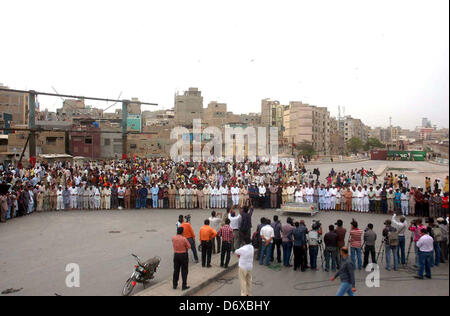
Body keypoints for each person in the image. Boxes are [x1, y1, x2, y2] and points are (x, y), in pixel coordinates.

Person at [172, 227, 191, 291]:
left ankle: (174, 284)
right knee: (184, 270)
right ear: (182, 232)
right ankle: (184, 285)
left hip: (176, 255)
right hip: (183, 255)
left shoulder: (173, 238)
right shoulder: (184, 239)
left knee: (176, 270)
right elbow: (189, 246)